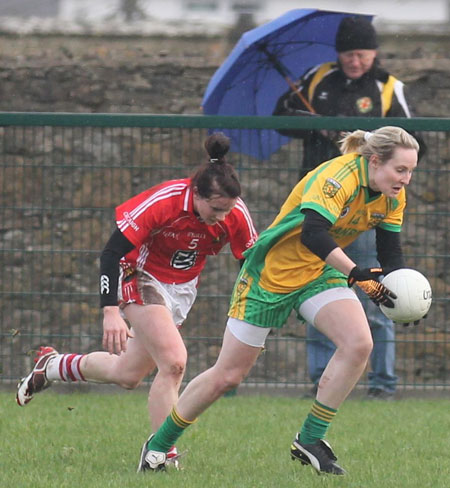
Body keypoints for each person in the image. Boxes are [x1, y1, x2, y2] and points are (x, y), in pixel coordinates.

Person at [138, 126, 420, 475]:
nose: (405, 179)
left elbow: (391, 254)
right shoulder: (337, 177)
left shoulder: (391, 194)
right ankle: (159, 446)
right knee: (227, 376)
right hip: (271, 276)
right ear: (375, 161)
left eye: (411, 171)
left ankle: (311, 439)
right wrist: (356, 274)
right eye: (400, 170)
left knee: (359, 344)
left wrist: (400, 295)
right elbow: (314, 233)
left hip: (319, 272)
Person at [16, 132, 258, 470]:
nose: (223, 217)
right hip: (140, 276)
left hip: (181, 290)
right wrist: (111, 310)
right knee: (174, 362)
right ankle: (161, 454)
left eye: (229, 209)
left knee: (127, 374)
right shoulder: (166, 200)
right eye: (216, 209)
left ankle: (52, 366)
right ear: (197, 194)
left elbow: (252, 261)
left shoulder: (234, 212)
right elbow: (111, 253)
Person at [273, 16, 424, 399]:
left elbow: (415, 138)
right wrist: (316, 125)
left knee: (378, 293)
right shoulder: (317, 78)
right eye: (347, 54)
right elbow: (280, 119)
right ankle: (321, 380)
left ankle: (383, 385)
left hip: (362, 212)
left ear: (374, 53)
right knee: (319, 298)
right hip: (320, 210)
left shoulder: (389, 88)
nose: (354, 61)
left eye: (361, 53)